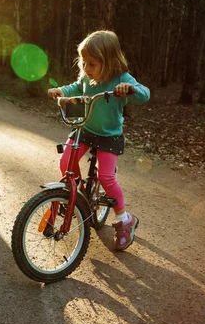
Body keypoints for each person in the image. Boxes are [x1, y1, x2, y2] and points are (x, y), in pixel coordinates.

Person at [48, 30, 150, 251]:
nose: (86, 68)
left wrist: (129, 89)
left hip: (109, 135)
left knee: (106, 177)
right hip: (85, 129)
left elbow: (144, 94)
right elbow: (76, 87)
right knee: (66, 163)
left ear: (109, 62)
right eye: (84, 62)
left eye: (91, 64)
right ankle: (79, 190)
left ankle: (124, 219)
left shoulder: (121, 78)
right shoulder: (87, 77)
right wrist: (61, 91)